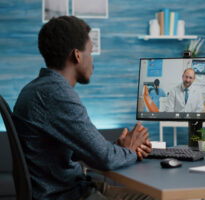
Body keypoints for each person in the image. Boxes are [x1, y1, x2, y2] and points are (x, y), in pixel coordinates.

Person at [12, 16, 153, 200]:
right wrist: (131, 149)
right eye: (91, 53)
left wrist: (120, 149)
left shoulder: (37, 89)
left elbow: (90, 152)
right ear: (77, 55)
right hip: (67, 196)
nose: (92, 61)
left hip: (72, 189)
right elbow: (105, 159)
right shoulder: (56, 94)